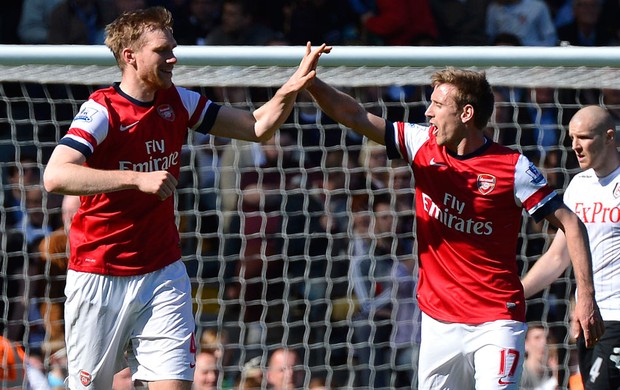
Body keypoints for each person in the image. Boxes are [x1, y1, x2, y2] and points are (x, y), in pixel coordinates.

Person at [41, 6, 329, 389]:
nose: (174, 57)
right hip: (99, 273)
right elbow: (55, 175)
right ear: (131, 56)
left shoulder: (179, 101)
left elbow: (257, 126)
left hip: (163, 272)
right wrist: (135, 179)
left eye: (173, 48)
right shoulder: (101, 110)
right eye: (163, 51)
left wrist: (293, 84)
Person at [305, 61, 604, 388]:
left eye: (438, 104)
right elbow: (355, 116)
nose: (429, 113)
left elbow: (571, 223)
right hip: (438, 322)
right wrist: (312, 83)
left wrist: (585, 296)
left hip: (496, 321)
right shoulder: (420, 144)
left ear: (466, 114)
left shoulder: (512, 168)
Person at [521, 105, 620, 390]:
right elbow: (558, 256)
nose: (575, 146)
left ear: (609, 137)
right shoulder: (578, 185)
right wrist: (518, 291)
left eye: (584, 138)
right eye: (572, 137)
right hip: (588, 320)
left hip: (616, 315)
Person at [520, 323, 559, 390]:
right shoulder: (520, 373)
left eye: (548, 338)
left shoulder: (553, 371)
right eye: (537, 338)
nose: (544, 342)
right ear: (525, 344)